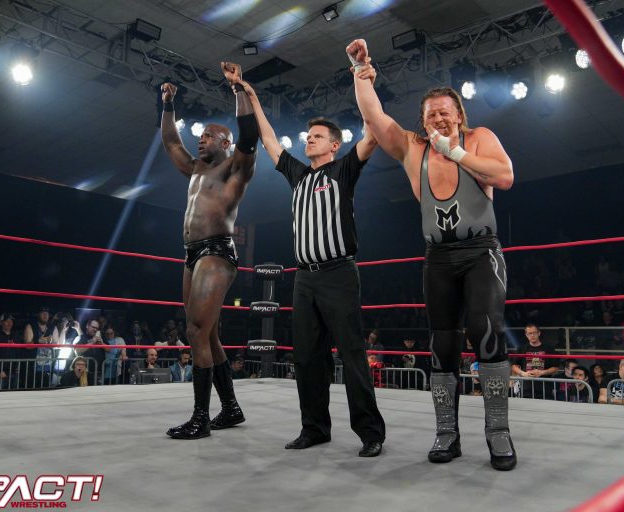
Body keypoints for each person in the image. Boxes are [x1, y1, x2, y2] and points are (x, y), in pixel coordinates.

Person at [348, 38, 516, 470]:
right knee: (442, 344)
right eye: (430, 114)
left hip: (480, 253)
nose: (438, 118)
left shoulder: (480, 138)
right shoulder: (413, 148)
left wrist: (456, 153)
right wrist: (361, 72)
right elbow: (374, 117)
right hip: (438, 258)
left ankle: (498, 433)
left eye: (444, 112)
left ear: (458, 114)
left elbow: (505, 176)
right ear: (422, 122)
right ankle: (446, 433)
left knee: (487, 332)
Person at [232, 65, 386, 458]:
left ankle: (370, 432)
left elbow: (374, 133)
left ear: (334, 145)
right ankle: (314, 428)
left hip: (339, 273)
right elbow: (268, 138)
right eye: (308, 136)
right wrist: (250, 94)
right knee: (306, 357)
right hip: (304, 278)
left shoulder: (344, 169)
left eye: (316, 136)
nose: (309, 140)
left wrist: (366, 82)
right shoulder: (298, 176)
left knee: (351, 354)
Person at [163, 61, 258, 440]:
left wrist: (238, 90)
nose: (200, 140)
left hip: (217, 252)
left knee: (196, 329)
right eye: (200, 135)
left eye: (208, 136)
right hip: (192, 252)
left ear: (225, 143)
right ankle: (231, 408)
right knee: (208, 334)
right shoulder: (195, 169)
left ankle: (200, 419)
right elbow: (172, 142)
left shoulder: (237, 168)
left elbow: (249, 134)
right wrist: (168, 105)